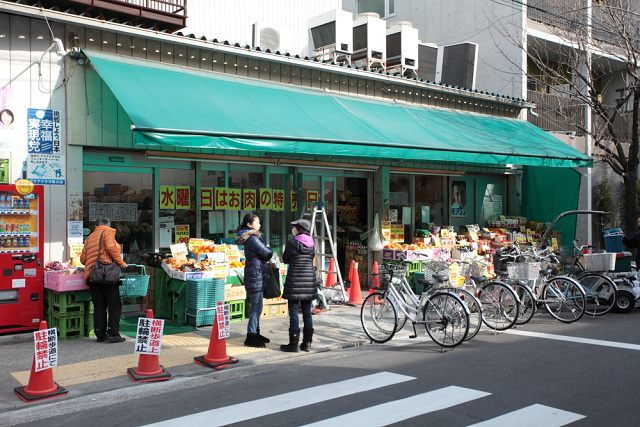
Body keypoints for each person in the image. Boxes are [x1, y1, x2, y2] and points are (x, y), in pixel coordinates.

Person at [80, 218, 127, 343]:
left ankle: (100, 334)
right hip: (108, 277)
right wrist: (121, 262)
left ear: (96, 226)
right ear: (108, 225)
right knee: (114, 305)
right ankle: (113, 333)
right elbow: (112, 248)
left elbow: (83, 260)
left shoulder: (89, 238)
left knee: (99, 306)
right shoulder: (108, 233)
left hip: (94, 276)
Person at [235, 213, 273, 348]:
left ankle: (256, 332)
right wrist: (270, 249)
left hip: (256, 274)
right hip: (255, 275)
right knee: (256, 307)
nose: (259, 225)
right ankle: (251, 336)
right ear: (249, 224)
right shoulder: (252, 239)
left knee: (258, 307)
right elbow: (267, 253)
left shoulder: (252, 237)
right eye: (257, 223)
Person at [280, 219, 316, 352]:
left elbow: (285, 259)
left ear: (299, 229)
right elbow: (312, 256)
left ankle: (293, 344)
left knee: (294, 313)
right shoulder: (312, 242)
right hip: (308, 280)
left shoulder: (293, 242)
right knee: (307, 313)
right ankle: (307, 343)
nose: (293, 229)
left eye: (295, 227)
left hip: (295, 280)